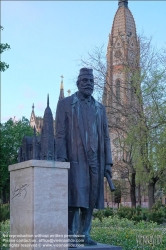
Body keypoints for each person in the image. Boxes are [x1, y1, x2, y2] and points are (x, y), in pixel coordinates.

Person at [55, 68, 113, 246]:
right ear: (78, 82)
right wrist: (62, 158)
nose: (89, 84)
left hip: (95, 160)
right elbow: (60, 134)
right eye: (85, 80)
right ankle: (70, 235)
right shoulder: (65, 104)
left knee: (91, 198)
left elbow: (105, 136)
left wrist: (108, 163)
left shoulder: (100, 108)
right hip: (75, 158)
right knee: (74, 197)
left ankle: (84, 233)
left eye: (91, 81)